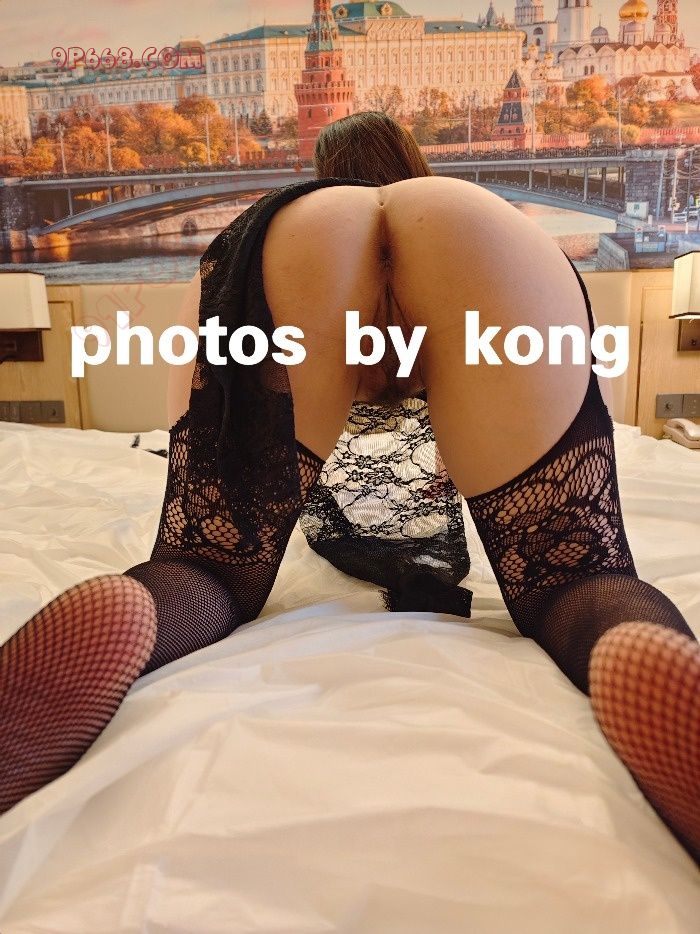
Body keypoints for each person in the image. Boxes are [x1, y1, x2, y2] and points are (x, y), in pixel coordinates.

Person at [0, 114, 697, 865]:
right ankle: (627, 643)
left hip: (293, 246)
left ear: (324, 170)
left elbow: (217, 434)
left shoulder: (304, 219)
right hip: (483, 239)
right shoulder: (465, 212)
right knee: (577, 578)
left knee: (204, 568)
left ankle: (136, 608)